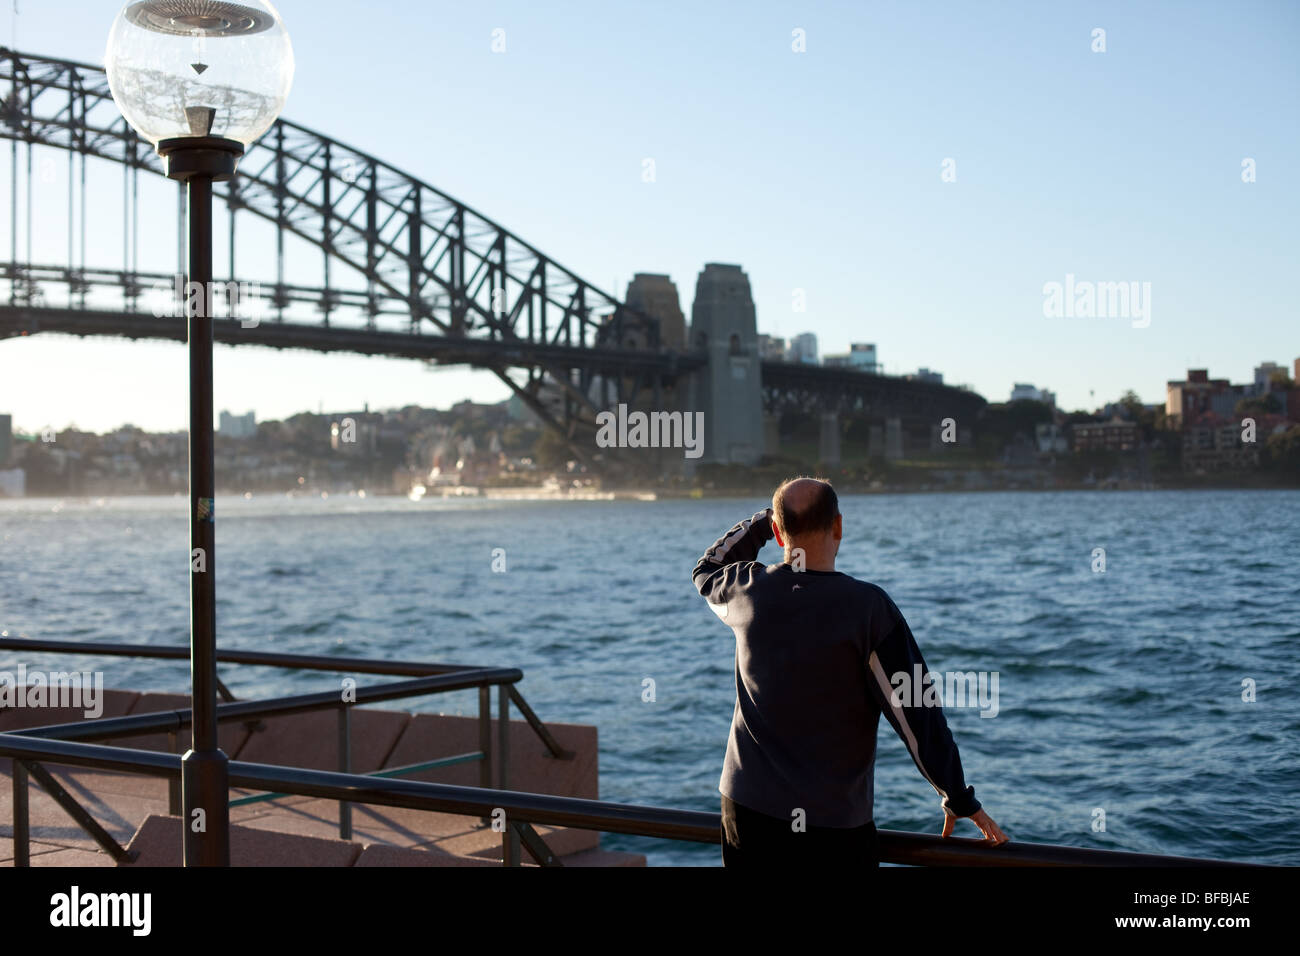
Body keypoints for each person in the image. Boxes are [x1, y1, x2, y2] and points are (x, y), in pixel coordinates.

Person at [691, 476, 1008, 867]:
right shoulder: (869, 609)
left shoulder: (748, 590)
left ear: (777, 531)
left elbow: (708, 568)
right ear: (838, 526)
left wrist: (763, 521)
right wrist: (957, 795)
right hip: (833, 828)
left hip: (747, 812)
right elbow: (917, 713)